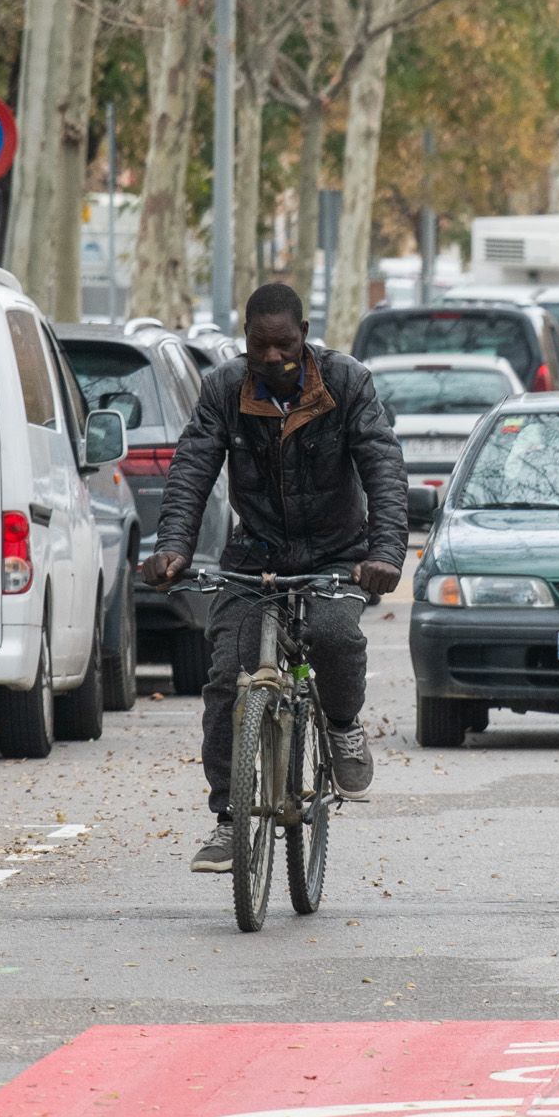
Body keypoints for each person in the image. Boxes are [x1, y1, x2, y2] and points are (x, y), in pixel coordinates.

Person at [139, 283, 408, 873]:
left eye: (283, 345)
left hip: (338, 553)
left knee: (335, 637)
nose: (272, 358)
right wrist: (173, 548)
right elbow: (192, 470)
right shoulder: (225, 390)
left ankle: (340, 727)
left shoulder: (346, 383)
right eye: (259, 346)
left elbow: (382, 465)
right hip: (253, 556)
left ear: (304, 334)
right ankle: (229, 821)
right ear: (245, 341)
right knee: (227, 678)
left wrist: (385, 551)